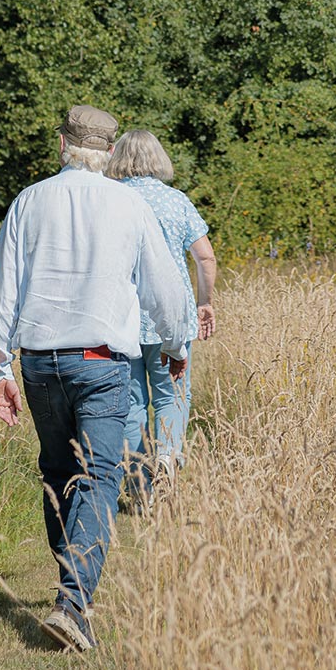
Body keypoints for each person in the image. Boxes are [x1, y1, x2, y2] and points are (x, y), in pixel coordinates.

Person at [0, 105, 193, 653]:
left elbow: (1, 288)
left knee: (57, 468)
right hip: (100, 362)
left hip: (40, 362)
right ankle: (72, 602)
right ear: (110, 154)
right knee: (98, 475)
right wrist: (174, 345)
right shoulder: (129, 204)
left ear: (63, 145)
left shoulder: (30, 201)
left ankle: (72, 593)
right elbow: (165, 287)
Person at [106, 129, 217, 503]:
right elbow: (205, 257)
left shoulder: (110, 201)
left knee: (132, 401)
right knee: (171, 394)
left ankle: (139, 487)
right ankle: (167, 459)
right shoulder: (176, 201)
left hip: (123, 318)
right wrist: (205, 302)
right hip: (171, 318)